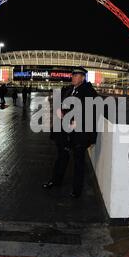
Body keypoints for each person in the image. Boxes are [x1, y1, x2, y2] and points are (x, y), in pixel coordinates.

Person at [42, 67, 99, 198]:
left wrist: (78, 121)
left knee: (79, 161)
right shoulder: (68, 90)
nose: (73, 77)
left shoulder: (89, 92)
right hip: (64, 131)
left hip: (79, 133)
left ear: (83, 77)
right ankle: (55, 181)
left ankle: (77, 190)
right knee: (62, 156)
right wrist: (60, 111)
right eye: (72, 75)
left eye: (76, 75)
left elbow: (94, 110)